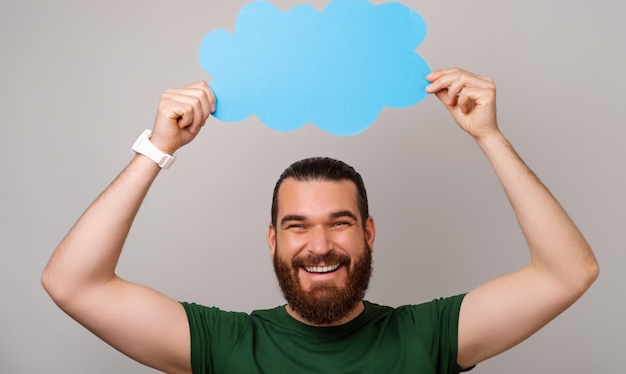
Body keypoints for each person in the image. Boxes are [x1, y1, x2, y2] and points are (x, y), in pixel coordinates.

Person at [42, 68, 599, 374]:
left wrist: (489, 136)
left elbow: (567, 274)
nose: (319, 245)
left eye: (339, 222)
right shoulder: (226, 344)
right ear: (272, 240)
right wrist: (158, 148)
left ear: (368, 232)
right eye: (297, 226)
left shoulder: (426, 337)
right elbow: (72, 284)